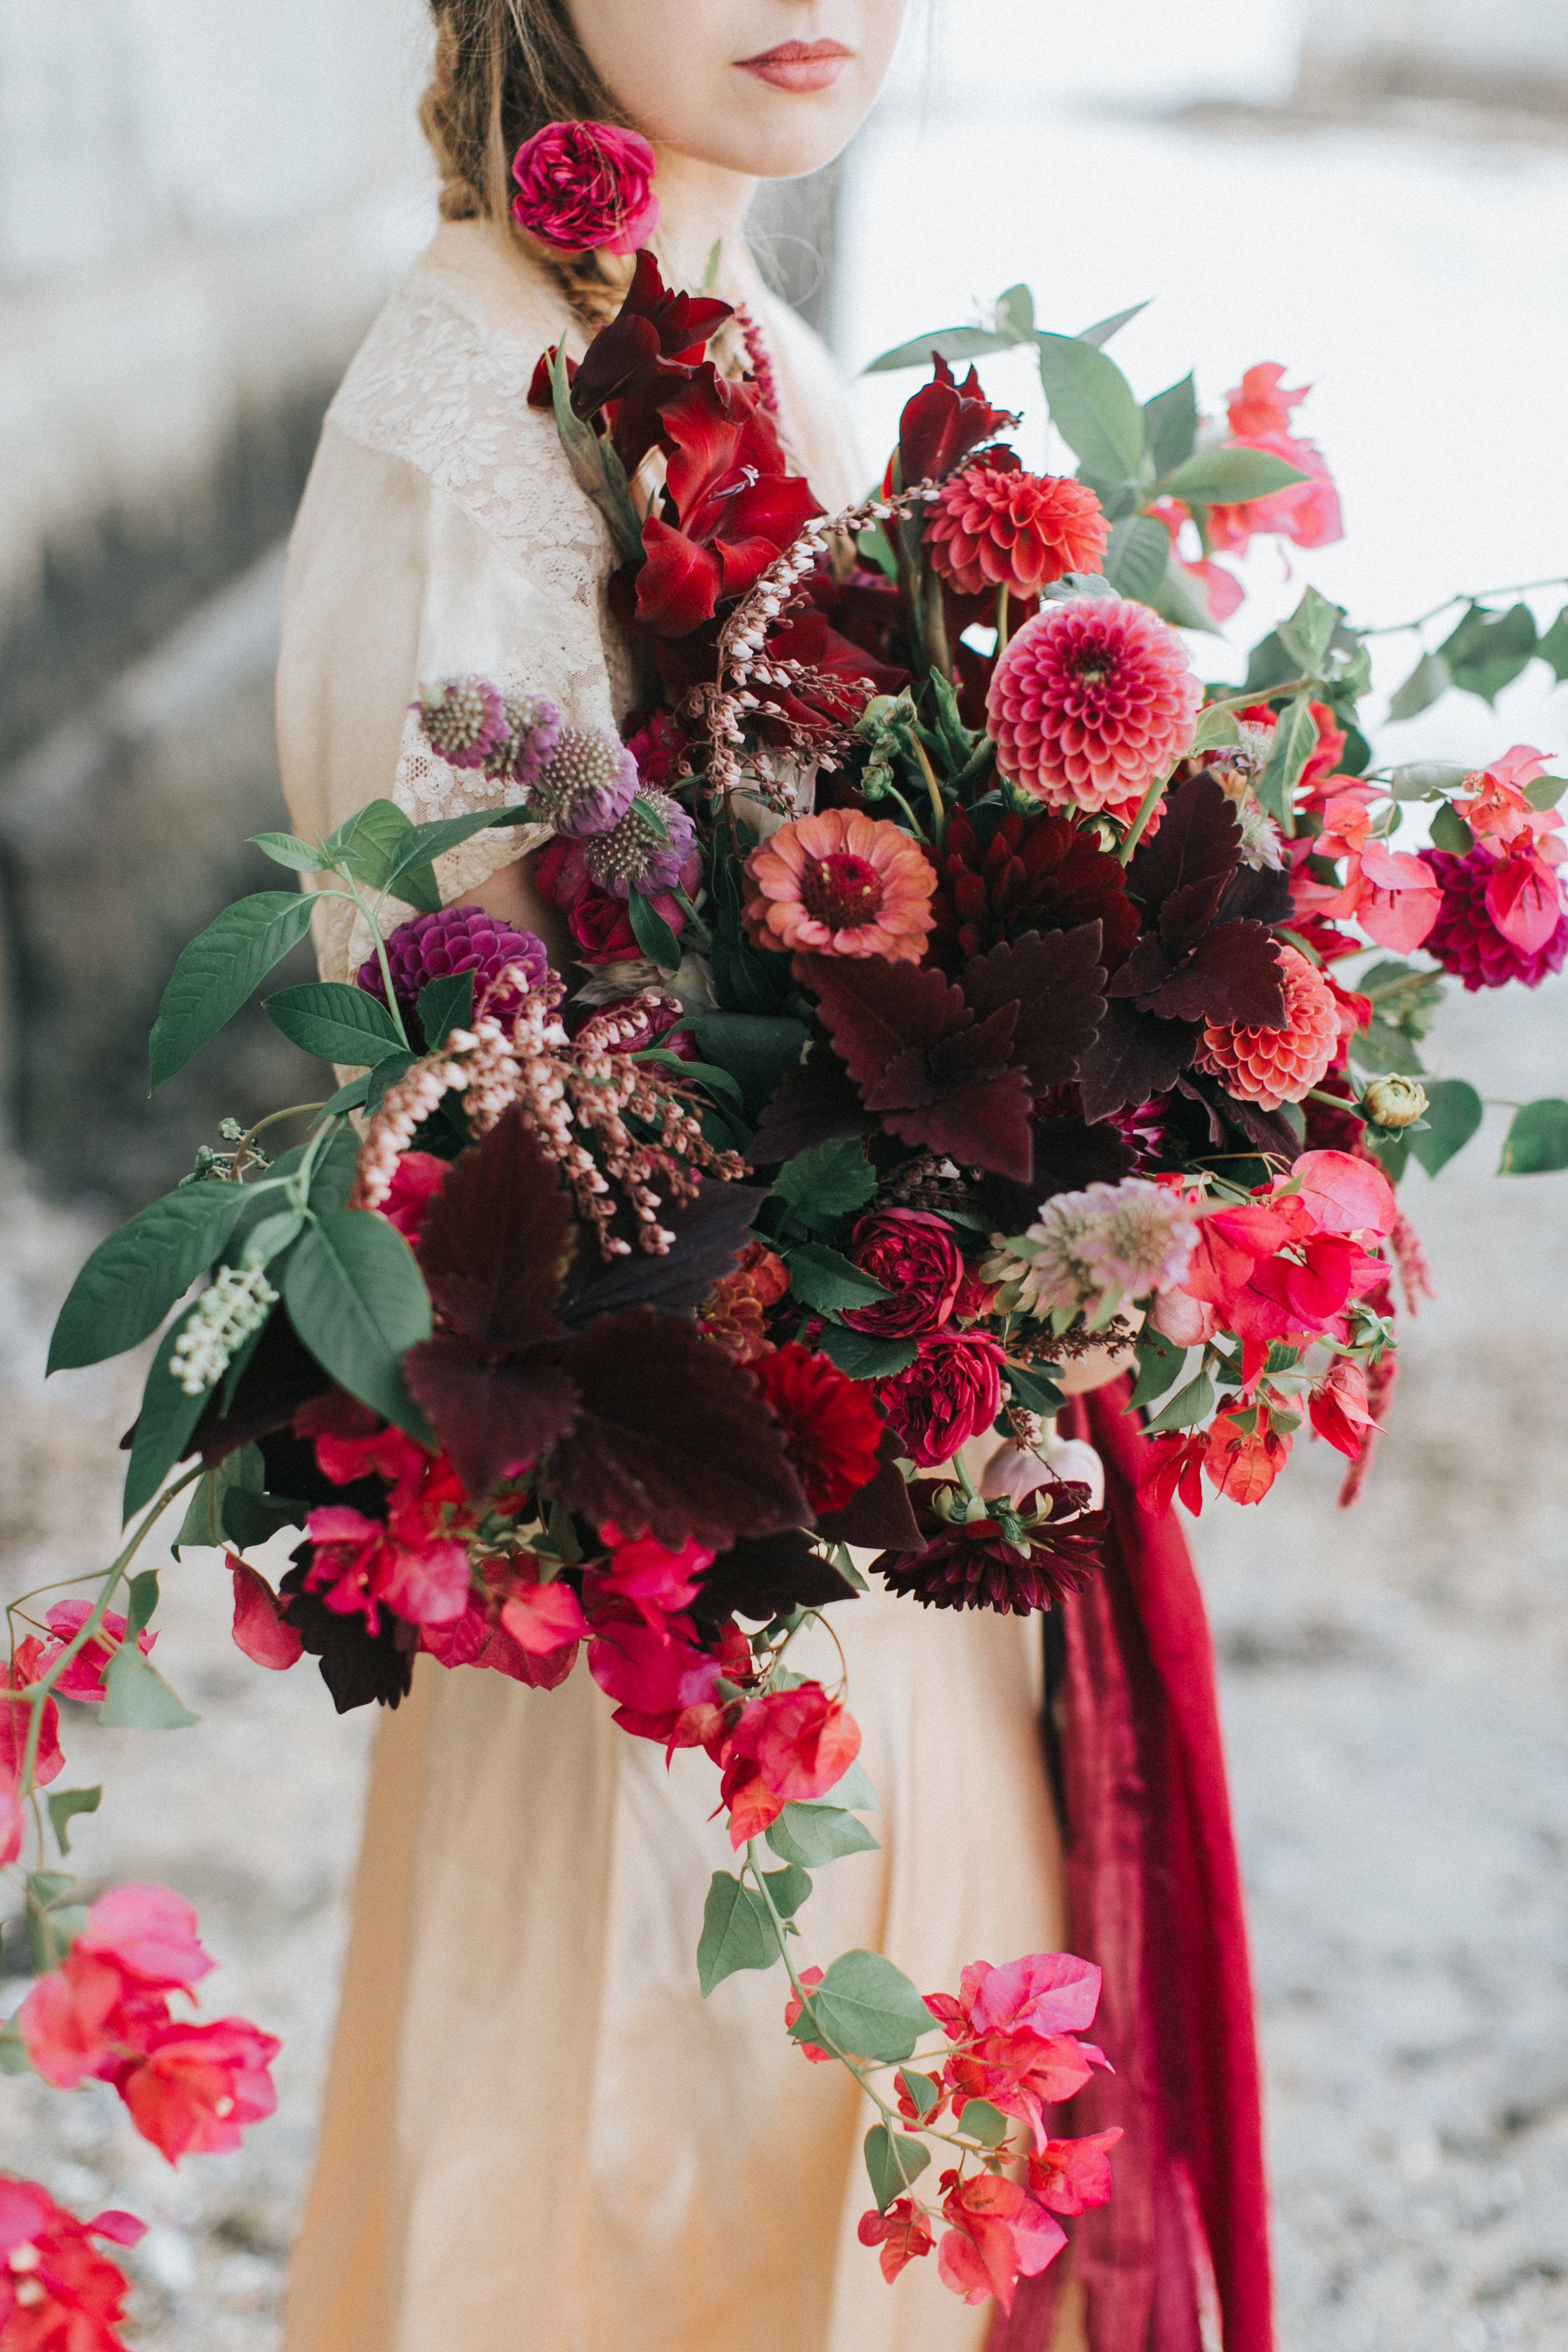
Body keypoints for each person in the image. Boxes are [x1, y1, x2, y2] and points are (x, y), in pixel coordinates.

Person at [275, 8, 1269, 2348]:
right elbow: (469, 1081)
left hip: (887, 1497)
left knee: (889, 2177)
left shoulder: (785, 365)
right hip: (652, 1548)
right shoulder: (463, 413)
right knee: (635, 2178)